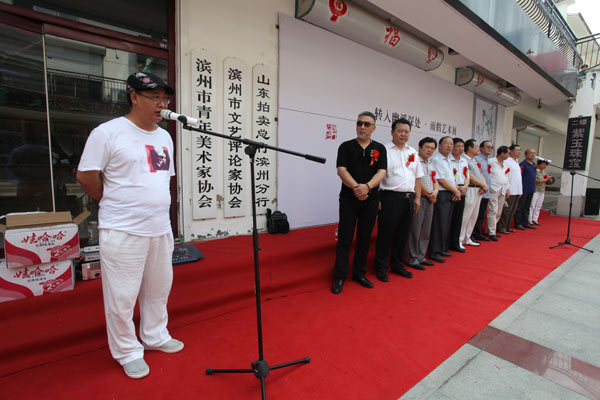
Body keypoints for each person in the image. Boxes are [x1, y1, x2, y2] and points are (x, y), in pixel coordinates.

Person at [77, 72, 182, 379]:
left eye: (165, 98)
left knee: (158, 289)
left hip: (159, 228)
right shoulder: (108, 133)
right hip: (123, 229)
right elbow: (86, 175)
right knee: (122, 296)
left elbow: (162, 179)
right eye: (155, 98)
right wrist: (110, 200)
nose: (162, 104)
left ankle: (154, 335)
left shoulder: (164, 136)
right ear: (133, 97)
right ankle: (127, 350)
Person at [331, 111, 387, 294]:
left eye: (366, 124)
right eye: (359, 123)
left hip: (371, 199)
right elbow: (341, 170)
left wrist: (368, 188)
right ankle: (339, 276)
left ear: (373, 128)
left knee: (364, 238)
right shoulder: (346, 146)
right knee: (345, 238)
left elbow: (382, 172)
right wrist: (357, 188)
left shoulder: (380, 148)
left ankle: (359, 273)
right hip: (348, 199)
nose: (362, 127)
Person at [373, 118, 423, 281]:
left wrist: (417, 198)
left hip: (408, 198)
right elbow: (376, 176)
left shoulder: (413, 152)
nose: (403, 134)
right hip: (389, 197)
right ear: (392, 132)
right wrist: (377, 198)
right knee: (385, 234)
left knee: (403, 234)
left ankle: (396, 265)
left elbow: (417, 177)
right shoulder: (383, 150)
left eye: (406, 132)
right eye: (400, 131)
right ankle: (380, 267)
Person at [406, 137, 438, 269]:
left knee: (425, 230)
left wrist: (435, 192)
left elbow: (435, 180)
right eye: (427, 147)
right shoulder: (413, 160)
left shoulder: (431, 163)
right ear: (420, 148)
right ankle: (411, 258)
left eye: (432, 148)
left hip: (431, 199)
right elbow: (415, 180)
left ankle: (421, 256)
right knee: (415, 229)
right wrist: (429, 194)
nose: (429, 150)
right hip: (418, 198)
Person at [428, 136, 460, 263]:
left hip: (450, 192)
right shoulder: (436, 160)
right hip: (442, 193)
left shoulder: (449, 160)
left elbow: (452, 178)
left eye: (451, 144)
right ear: (439, 145)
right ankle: (434, 251)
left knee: (446, 223)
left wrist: (456, 188)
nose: (449, 146)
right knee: (439, 223)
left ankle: (442, 248)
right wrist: (455, 190)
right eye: (446, 143)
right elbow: (440, 179)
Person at [459, 139, 488, 247]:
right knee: (466, 215)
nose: (478, 148)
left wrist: (484, 185)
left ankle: (467, 237)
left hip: (478, 190)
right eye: (476, 146)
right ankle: (460, 239)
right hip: (470, 188)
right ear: (470, 148)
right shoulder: (464, 160)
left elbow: (481, 174)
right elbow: (469, 175)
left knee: (473, 215)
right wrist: (482, 184)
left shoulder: (474, 160)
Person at [447, 138, 469, 252]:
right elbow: (448, 177)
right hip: (452, 190)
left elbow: (467, 176)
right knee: (449, 219)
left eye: (462, 147)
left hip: (462, 190)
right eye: (458, 146)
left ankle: (455, 243)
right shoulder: (448, 160)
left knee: (458, 218)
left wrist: (465, 187)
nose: (461, 149)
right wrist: (456, 190)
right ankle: (446, 243)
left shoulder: (464, 161)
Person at [486, 146, 510, 241]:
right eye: (508, 153)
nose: (509, 155)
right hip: (493, 188)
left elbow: (507, 177)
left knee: (499, 211)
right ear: (502, 153)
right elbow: (487, 174)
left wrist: (507, 189)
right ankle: (492, 232)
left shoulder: (505, 164)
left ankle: (491, 230)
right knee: (493, 210)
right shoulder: (491, 161)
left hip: (503, 189)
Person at [497, 144, 522, 234]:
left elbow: (518, 178)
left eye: (520, 150)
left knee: (512, 210)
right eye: (517, 150)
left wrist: (520, 190)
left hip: (517, 189)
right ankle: (501, 227)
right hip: (510, 189)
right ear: (510, 151)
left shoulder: (516, 162)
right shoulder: (507, 161)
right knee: (506, 210)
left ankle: (507, 226)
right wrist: (507, 188)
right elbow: (506, 175)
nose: (519, 152)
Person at [472, 140, 493, 242]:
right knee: (476, 215)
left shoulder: (486, 160)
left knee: (481, 215)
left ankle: (477, 233)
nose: (490, 149)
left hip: (486, 192)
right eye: (487, 147)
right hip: (479, 191)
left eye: (491, 147)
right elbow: (477, 176)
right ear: (481, 148)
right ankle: (473, 234)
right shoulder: (477, 159)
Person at [515, 148, 538, 230]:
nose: (533, 155)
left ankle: (525, 222)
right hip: (523, 188)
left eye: (534, 153)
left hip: (531, 188)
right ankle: (518, 223)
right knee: (520, 207)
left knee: (527, 207)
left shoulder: (534, 164)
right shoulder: (523, 164)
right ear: (526, 155)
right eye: (531, 153)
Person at [529, 159, 552, 225]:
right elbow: (535, 180)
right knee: (532, 205)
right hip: (535, 190)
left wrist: (549, 179)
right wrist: (545, 179)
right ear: (539, 164)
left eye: (546, 165)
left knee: (538, 205)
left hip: (542, 190)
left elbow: (548, 182)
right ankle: (529, 219)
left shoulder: (545, 172)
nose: (545, 166)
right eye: (543, 164)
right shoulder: (535, 171)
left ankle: (535, 219)